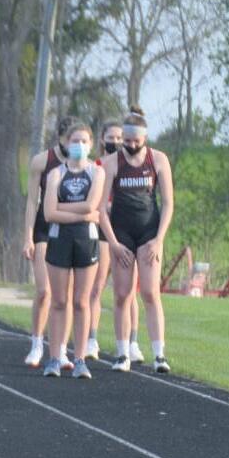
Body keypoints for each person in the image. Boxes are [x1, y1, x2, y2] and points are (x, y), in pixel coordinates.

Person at [99, 105, 174, 374]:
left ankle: (159, 354)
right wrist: (113, 243)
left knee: (151, 293)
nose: (131, 145)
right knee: (122, 294)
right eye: (127, 141)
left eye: (135, 141)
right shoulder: (111, 162)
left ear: (145, 138)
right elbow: (100, 209)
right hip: (121, 234)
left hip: (148, 233)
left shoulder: (158, 159)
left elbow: (168, 203)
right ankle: (122, 353)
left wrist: (159, 239)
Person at [41, 121, 105, 379]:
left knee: (81, 301)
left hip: (86, 240)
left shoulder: (96, 172)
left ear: (91, 144)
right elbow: (48, 213)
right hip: (60, 239)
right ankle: (55, 358)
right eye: (75, 141)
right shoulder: (55, 174)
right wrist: (82, 215)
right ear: (66, 143)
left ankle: (80, 359)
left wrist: (64, 209)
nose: (79, 145)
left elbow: (92, 205)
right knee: (59, 301)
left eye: (84, 141)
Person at [21, 116, 77, 369]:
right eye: (69, 141)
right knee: (45, 291)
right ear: (60, 139)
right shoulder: (42, 161)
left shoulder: (84, 165)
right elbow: (32, 201)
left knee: (65, 295)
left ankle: (62, 349)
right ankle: (36, 343)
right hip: (45, 227)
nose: (74, 146)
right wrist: (28, 236)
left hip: (71, 229)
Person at [86, 120, 141, 361]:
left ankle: (133, 342)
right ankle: (91, 339)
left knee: (129, 291)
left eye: (120, 138)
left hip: (126, 230)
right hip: (102, 229)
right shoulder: (96, 166)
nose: (116, 142)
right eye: (111, 138)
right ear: (102, 139)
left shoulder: (131, 165)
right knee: (97, 285)